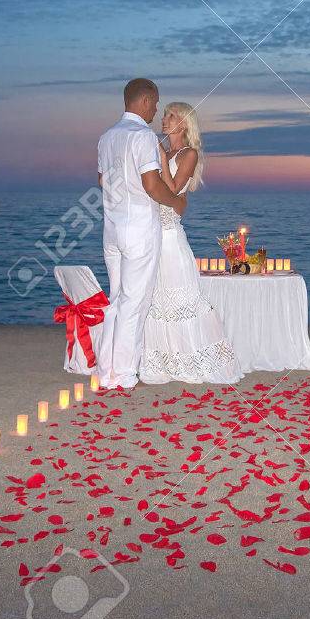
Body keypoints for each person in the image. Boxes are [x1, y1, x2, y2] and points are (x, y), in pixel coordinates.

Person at [95, 79, 188, 390]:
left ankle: (106, 370)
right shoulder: (143, 136)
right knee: (135, 302)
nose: (156, 110)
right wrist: (175, 202)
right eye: (156, 103)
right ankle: (124, 374)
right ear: (145, 101)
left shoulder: (107, 137)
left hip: (112, 230)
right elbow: (151, 184)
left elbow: (102, 180)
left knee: (117, 299)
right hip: (139, 230)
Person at [139, 102, 241, 385]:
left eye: (171, 116)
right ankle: (164, 360)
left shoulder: (188, 154)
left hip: (171, 236)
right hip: (151, 231)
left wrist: (161, 157)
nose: (164, 119)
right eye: (164, 115)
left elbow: (173, 190)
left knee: (180, 297)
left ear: (184, 123)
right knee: (156, 299)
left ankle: (193, 358)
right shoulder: (163, 151)